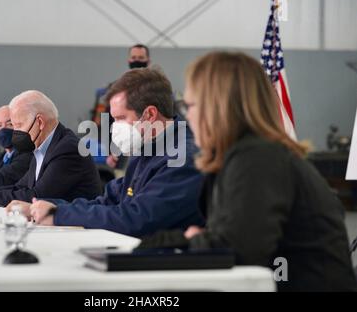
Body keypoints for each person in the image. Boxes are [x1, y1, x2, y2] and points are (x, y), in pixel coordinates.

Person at [139, 52, 357, 291]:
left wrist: (185, 240)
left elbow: (237, 249)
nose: (186, 116)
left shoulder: (257, 157)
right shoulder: (253, 154)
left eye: (189, 105)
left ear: (219, 106)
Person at [6, 68, 205, 238]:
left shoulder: (182, 157)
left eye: (120, 118)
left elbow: (138, 219)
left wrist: (58, 215)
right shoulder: (147, 151)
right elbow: (107, 201)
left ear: (150, 114)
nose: (114, 128)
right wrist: (45, 206)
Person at [0, 90, 101, 206]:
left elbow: (37, 196)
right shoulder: (43, 147)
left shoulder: (67, 149)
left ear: (40, 122)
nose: (15, 132)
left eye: (18, 125)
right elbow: (20, 187)